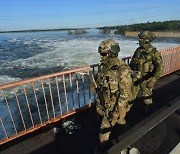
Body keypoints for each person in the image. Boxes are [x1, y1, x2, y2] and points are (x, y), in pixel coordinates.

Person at [90, 39, 133, 144]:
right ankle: (122, 127)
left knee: (104, 131)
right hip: (103, 102)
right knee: (116, 122)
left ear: (112, 53)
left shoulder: (122, 70)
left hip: (113, 107)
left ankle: (102, 146)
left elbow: (125, 94)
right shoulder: (104, 66)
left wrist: (115, 112)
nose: (101, 56)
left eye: (104, 54)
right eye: (101, 54)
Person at [130, 31, 164, 112]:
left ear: (147, 40)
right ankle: (127, 110)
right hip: (136, 77)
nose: (139, 40)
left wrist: (153, 80)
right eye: (140, 38)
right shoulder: (138, 50)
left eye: (142, 39)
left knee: (147, 95)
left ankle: (147, 107)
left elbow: (160, 67)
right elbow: (132, 62)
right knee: (131, 94)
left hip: (147, 77)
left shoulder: (153, 52)